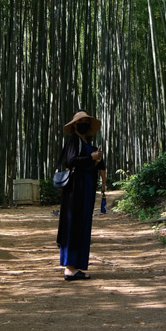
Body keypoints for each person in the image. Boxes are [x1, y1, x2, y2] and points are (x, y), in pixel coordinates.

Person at [56, 110, 105, 281]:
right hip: (76, 190)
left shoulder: (85, 142)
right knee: (74, 225)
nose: (84, 123)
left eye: (86, 121)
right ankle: (70, 267)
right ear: (75, 125)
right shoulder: (74, 140)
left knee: (82, 225)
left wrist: (95, 160)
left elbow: (85, 164)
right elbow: (70, 161)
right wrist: (89, 157)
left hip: (85, 190)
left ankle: (75, 266)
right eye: (81, 121)